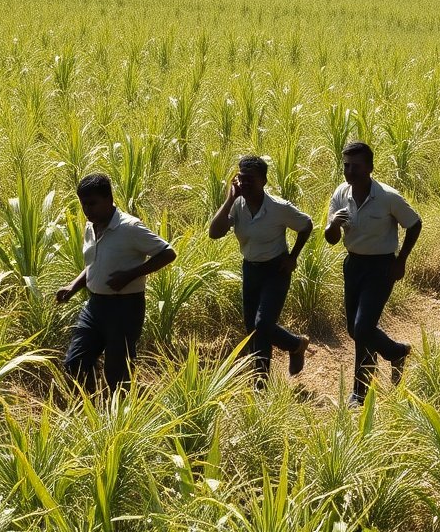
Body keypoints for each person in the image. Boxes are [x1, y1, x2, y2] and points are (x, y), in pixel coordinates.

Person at [56, 173, 177, 394]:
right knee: (75, 362)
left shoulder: (130, 228)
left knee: (117, 372)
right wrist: (73, 286)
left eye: (92, 203)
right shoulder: (92, 225)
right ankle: (91, 407)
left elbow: (168, 253)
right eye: (84, 204)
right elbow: (94, 264)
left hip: (124, 308)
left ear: (109, 199)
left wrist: (130, 275)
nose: (87, 210)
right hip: (95, 307)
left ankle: (121, 416)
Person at [325, 142, 421, 405]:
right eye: (346, 166)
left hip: (381, 267)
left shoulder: (387, 197)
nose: (350, 171)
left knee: (362, 327)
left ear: (370, 168)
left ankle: (361, 390)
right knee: (356, 330)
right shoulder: (341, 194)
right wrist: (334, 223)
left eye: (356, 166)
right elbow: (330, 239)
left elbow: (414, 224)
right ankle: (396, 352)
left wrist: (401, 260)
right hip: (353, 265)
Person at [207, 155, 314, 383]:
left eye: (250, 180)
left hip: (276, 270)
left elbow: (306, 225)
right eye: (241, 179)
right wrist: (229, 199)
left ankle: (260, 382)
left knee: (263, 325)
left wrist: (293, 257)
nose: (244, 183)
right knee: (253, 330)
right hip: (251, 270)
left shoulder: (278, 207)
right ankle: (296, 345)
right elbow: (214, 233)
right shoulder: (237, 206)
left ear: (264, 181)